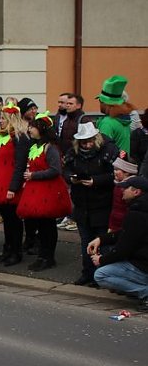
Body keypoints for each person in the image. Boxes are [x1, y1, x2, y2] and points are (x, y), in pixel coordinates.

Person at [63, 121, 117, 286]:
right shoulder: (73, 152)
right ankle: (87, 273)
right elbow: (66, 169)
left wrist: (95, 181)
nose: (87, 145)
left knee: (101, 241)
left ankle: (99, 275)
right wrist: (71, 178)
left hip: (101, 203)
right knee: (85, 241)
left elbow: (115, 175)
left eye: (90, 141)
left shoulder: (108, 150)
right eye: (84, 142)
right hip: (82, 204)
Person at [15, 113, 71, 272]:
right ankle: (42, 256)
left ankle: (48, 257)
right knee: (40, 225)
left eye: (32, 127)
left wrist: (34, 175)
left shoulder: (50, 148)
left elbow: (55, 170)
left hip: (48, 190)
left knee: (48, 225)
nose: (29, 130)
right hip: (37, 190)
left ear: (41, 129)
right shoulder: (35, 147)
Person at [90, 175, 148, 312]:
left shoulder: (137, 214)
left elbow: (124, 248)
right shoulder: (140, 210)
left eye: (126, 188)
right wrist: (102, 239)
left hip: (143, 265)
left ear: (136, 192)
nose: (122, 191)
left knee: (101, 275)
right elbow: (126, 233)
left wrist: (101, 260)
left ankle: (144, 292)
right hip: (143, 260)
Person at [0, 102, 29, 266]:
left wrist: (13, 187)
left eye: (3, 118)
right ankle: (7, 249)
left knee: (13, 220)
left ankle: (15, 252)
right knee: (6, 218)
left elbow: (20, 164)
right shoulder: (0, 137)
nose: (0, 121)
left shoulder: (19, 138)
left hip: (10, 183)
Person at [95, 75, 133, 157]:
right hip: (123, 162)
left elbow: (102, 148)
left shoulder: (107, 123)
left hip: (111, 163)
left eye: (101, 101)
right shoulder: (124, 120)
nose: (100, 104)